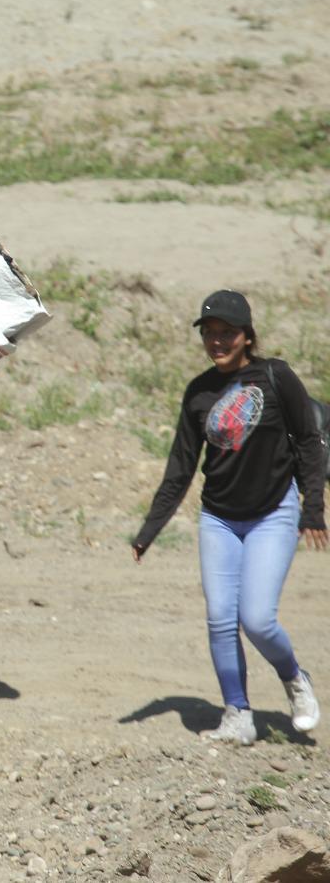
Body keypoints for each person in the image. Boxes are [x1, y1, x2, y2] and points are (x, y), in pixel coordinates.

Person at [130, 289, 324, 744]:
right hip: (219, 518)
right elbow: (180, 467)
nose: (217, 342)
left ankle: (295, 677)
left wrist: (312, 508)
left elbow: (309, 443)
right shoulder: (198, 392)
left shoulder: (276, 377)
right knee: (220, 617)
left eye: (227, 333)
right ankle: (237, 714)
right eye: (210, 333)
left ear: (247, 336)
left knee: (256, 619)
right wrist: (150, 529)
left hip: (273, 513)